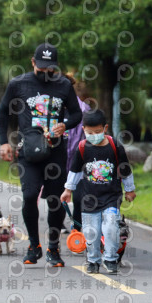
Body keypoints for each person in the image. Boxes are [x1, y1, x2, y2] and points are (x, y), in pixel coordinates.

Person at [0, 43, 82, 267]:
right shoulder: (19, 84)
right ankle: (34, 245)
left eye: (50, 68)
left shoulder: (63, 85)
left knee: (55, 201)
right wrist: (3, 142)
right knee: (29, 195)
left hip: (56, 152)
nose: (46, 72)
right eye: (41, 67)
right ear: (33, 62)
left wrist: (64, 124)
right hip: (29, 151)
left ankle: (53, 248)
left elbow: (76, 114)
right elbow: (2, 114)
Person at [60, 110, 136, 274]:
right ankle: (93, 260)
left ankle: (110, 259)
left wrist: (130, 190)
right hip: (89, 198)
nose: (93, 135)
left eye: (97, 132)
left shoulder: (115, 146)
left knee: (110, 228)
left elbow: (125, 170)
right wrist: (68, 190)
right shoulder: (82, 148)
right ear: (83, 129)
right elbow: (75, 171)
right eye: (89, 132)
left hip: (111, 197)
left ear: (105, 128)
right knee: (90, 232)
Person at [63, 76, 91, 233]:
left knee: (79, 197)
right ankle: (58, 222)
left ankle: (77, 228)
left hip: (78, 159)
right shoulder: (53, 107)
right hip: (58, 159)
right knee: (58, 195)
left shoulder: (83, 108)